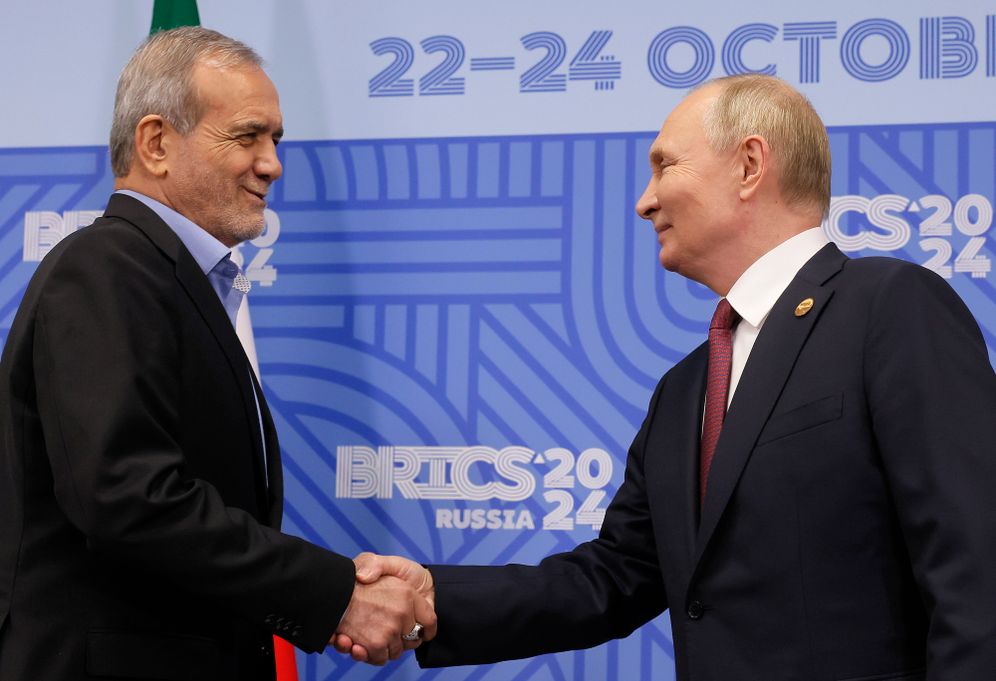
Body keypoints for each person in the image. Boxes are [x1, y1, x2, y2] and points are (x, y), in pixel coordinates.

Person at [337, 74, 996, 680]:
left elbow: (975, 565)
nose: (644, 201)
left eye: (664, 165)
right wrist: (432, 595)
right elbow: (613, 577)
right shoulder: (686, 390)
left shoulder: (890, 307)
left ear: (748, 164)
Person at [0, 27, 433, 680]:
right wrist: (332, 593)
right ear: (156, 143)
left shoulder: (169, 278)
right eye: (247, 136)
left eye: (276, 140)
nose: (272, 163)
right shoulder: (107, 268)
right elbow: (128, 498)